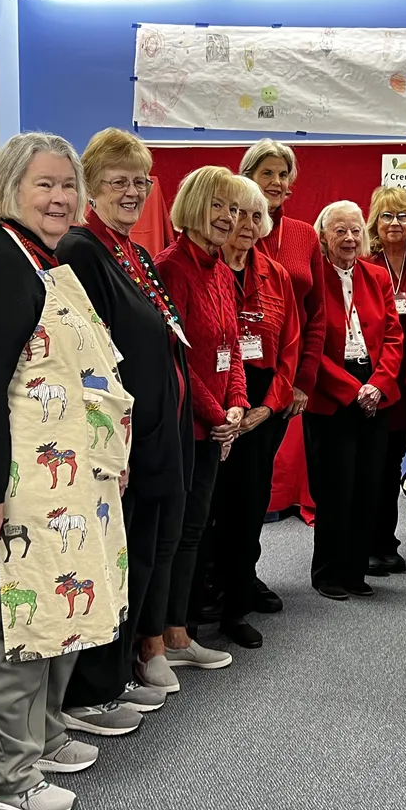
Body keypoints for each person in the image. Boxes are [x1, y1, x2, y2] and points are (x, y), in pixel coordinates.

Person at [0, 132, 133, 810]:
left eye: (68, 186)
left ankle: (43, 735)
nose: (61, 197)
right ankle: (5, 775)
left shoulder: (46, 261)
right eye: (45, 185)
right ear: (9, 187)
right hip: (24, 485)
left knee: (61, 617)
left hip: (75, 484)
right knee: (14, 631)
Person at [55, 129, 209, 733]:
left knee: (147, 553)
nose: (130, 191)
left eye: (139, 182)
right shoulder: (82, 251)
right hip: (120, 439)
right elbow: (87, 355)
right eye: (117, 181)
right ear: (91, 187)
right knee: (118, 559)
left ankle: (122, 670)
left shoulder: (134, 253)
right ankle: (99, 683)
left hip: (160, 428)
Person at [146, 166, 250, 657]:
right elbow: (178, 356)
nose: (228, 218)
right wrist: (219, 417)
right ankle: (165, 634)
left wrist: (237, 407)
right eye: (219, 206)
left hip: (214, 426)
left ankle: (179, 631)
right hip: (185, 425)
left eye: (234, 209)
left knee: (194, 530)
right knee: (176, 533)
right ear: (191, 205)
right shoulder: (170, 267)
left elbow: (234, 349)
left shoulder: (221, 270)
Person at [206, 176, 300, 648]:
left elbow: (290, 348)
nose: (245, 223)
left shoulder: (276, 274)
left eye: (255, 215)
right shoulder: (206, 269)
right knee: (208, 504)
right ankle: (204, 593)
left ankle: (237, 602)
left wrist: (268, 407)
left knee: (247, 505)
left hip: (263, 401)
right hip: (216, 394)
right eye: (236, 213)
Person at [239, 139, 325, 610]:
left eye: (283, 175)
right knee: (225, 487)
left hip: (282, 380)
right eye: (267, 173)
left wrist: (301, 382)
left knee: (256, 484)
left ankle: (246, 573)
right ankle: (216, 577)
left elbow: (317, 317)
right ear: (248, 175)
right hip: (232, 378)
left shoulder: (304, 236)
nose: (276, 183)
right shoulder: (230, 225)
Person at [305, 201, 403, 600]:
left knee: (369, 485)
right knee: (335, 486)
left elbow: (394, 337)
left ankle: (356, 571)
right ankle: (329, 573)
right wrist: (351, 389)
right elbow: (310, 347)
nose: (349, 238)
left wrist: (377, 384)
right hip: (332, 390)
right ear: (324, 236)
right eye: (339, 231)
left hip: (375, 389)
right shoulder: (313, 278)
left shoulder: (377, 276)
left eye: (355, 230)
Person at [365, 185, 406, 576]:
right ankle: (374, 542)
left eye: (402, 216)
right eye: (386, 216)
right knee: (378, 463)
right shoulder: (366, 262)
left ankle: (386, 539)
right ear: (375, 221)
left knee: (396, 463)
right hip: (378, 376)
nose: (394, 223)